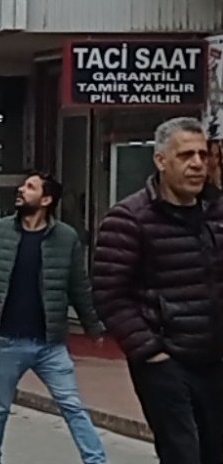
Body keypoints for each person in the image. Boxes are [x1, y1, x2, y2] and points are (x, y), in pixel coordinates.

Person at [94, 116, 223, 464]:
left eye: (203, 155)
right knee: (183, 452)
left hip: (214, 358)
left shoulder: (216, 212)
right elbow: (109, 294)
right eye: (186, 156)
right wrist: (151, 352)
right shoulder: (128, 219)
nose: (198, 164)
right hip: (166, 361)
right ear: (161, 161)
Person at [0, 172, 106, 464]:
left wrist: (94, 328)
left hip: (50, 344)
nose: (21, 190)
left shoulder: (66, 238)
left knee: (72, 405)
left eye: (29, 187)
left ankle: (96, 461)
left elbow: (78, 287)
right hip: (6, 340)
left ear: (46, 200)